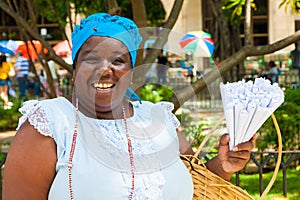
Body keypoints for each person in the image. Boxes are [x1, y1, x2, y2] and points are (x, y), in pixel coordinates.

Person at [3, 13, 257, 199]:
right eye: (91, 59)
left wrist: (223, 165)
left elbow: (198, 180)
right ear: (74, 68)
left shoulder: (158, 118)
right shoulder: (49, 123)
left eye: (118, 61)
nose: (105, 70)